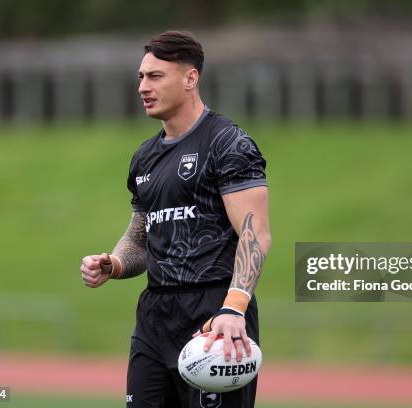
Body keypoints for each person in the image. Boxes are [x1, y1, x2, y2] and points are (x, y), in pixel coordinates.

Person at [80, 30, 271, 408]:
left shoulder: (227, 143)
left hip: (215, 313)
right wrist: (114, 264)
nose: (142, 87)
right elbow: (141, 238)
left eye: (155, 76)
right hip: (154, 316)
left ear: (190, 78)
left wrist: (234, 308)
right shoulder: (145, 157)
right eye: (140, 77)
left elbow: (256, 234)